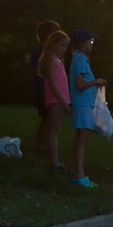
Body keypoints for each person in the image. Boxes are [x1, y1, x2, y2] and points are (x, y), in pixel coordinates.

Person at [68, 29, 106, 188]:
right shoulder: (81, 59)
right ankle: (80, 176)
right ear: (82, 44)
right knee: (83, 140)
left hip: (85, 104)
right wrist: (96, 82)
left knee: (82, 139)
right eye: (90, 42)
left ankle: (79, 173)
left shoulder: (79, 58)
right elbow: (80, 84)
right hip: (83, 105)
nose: (92, 44)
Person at [38, 30, 71, 173]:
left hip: (60, 100)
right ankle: (55, 162)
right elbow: (52, 83)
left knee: (56, 130)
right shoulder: (51, 60)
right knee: (53, 131)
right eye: (62, 45)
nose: (64, 49)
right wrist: (63, 101)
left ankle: (54, 160)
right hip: (55, 100)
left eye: (66, 46)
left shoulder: (58, 60)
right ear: (54, 44)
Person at [32, 20, 62, 155]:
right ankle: (40, 144)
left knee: (47, 118)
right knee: (48, 118)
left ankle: (41, 144)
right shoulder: (41, 52)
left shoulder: (48, 52)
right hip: (44, 91)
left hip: (47, 90)